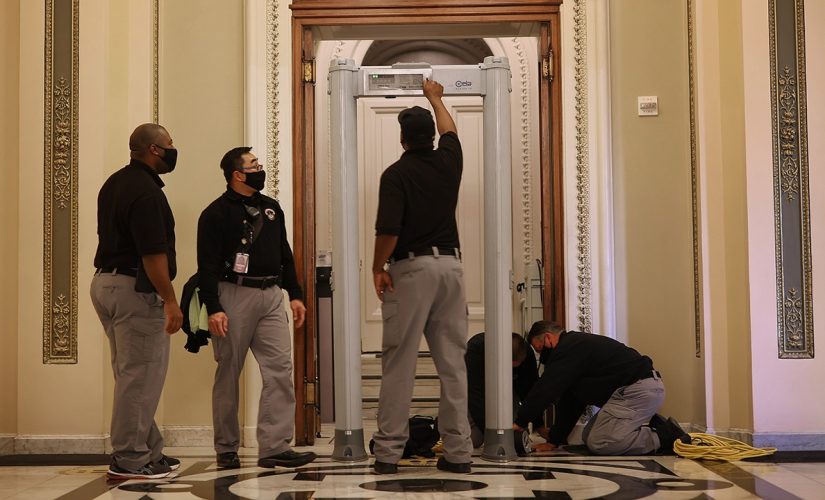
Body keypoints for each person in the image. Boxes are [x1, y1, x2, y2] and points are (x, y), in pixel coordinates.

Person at [370, 79, 473, 474]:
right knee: (453, 364)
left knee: (400, 362)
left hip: (411, 270)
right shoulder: (449, 160)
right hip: (452, 268)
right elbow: (451, 129)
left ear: (402, 138)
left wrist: (379, 267)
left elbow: (389, 231)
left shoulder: (395, 174)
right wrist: (436, 98)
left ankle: (388, 452)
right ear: (430, 136)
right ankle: (459, 453)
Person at [197, 147, 316, 470]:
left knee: (280, 369)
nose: (259, 169)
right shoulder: (215, 214)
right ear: (237, 174)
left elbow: (285, 254)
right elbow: (205, 266)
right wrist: (214, 308)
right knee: (228, 373)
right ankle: (226, 448)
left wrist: (295, 294)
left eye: (258, 164)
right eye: (253, 165)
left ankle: (275, 446)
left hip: (271, 294)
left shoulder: (271, 208)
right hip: (233, 295)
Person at [90, 123, 183, 479]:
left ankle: (150, 450)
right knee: (141, 376)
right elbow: (152, 254)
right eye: (170, 143)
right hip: (135, 288)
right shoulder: (146, 192)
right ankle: (129, 458)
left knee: (132, 376)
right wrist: (170, 300)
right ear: (155, 150)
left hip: (106, 284)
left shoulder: (115, 182)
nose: (175, 149)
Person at [514, 320, 690, 455]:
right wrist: (554, 441)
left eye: (539, 350)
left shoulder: (569, 348)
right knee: (588, 435)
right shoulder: (574, 349)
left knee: (599, 441)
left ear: (548, 338)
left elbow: (547, 387)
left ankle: (665, 437)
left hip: (638, 390)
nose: (541, 356)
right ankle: (656, 428)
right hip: (634, 391)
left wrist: (520, 422)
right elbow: (571, 402)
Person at [465, 332, 544, 449]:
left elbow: (529, 391)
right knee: (474, 440)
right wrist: (490, 433)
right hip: (476, 390)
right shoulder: (475, 349)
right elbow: (474, 395)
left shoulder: (526, 353)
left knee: (515, 435)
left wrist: (538, 424)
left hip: (509, 390)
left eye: (515, 367)